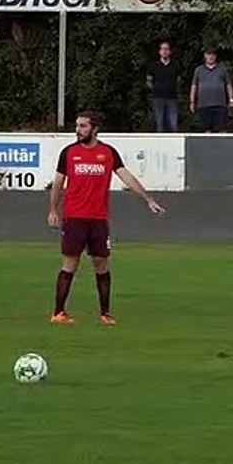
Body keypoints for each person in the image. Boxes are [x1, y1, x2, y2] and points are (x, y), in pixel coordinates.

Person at [46, 112, 166, 325]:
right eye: (77, 126)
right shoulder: (69, 153)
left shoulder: (108, 153)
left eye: (83, 126)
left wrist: (147, 199)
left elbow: (126, 176)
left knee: (101, 264)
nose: (78, 130)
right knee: (70, 264)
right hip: (74, 217)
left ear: (94, 129)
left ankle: (105, 314)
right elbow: (57, 184)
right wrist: (53, 209)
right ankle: (58, 312)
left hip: (99, 219)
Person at [189, 48, 233, 133]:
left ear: (215, 56)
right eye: (209, 54)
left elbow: (228, 85)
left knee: (221, 130)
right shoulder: (198, 70)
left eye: (213, 55)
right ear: (205, 56)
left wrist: (231, 99)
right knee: (205, 131)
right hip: (203, 105)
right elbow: (194, 86)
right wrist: (192, 101)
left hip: (220, 105)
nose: (211, 57)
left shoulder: (222, 69)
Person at [146, 39, 181, 132]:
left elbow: (179, 80)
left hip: (172, 98)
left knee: (174, 124)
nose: (164, 51)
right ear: (159, 52)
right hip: (158, 98)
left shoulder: (175, 65)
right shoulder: (154, 66)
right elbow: (149, 80)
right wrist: (155, 89)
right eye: (162, 49)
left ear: (170, 51)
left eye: (166, 49)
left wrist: (175, 89)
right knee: (159, 124)